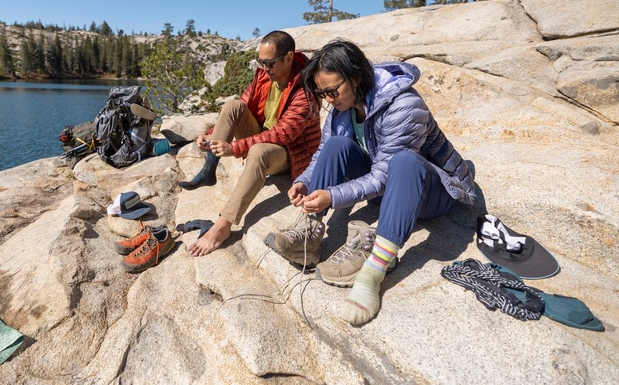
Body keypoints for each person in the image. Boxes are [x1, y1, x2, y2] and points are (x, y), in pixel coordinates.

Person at [265, 39, 475, 325]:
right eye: (322, 92)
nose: (328, 99)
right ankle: (310, 235)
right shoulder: (342, 105)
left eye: (332, 90)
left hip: (431, 191)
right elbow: (324, 151)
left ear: (356, 77)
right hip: (386, 187)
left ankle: (374, 271)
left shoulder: (404, 105)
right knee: (338, 143)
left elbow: (384, 176)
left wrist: (333, 196)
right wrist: (304, 180)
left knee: (404, 160)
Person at [183, 30, 322, 256]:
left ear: (288, 58)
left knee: (258, 151)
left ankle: (224, 225)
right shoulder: (265, 76)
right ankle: (209, 169)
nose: (264, 68)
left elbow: (282, 135)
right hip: (263, 136)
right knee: (232, 105)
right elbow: (243, 106)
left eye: (269, 63)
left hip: (289, 152)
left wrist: (235, 148)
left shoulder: (306, 90)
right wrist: (211, 135)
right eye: (261, 62)